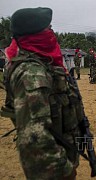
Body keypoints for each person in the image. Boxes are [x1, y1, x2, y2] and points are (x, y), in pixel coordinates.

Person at [2, 7, 82, 179]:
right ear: (35, 34)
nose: (52, 33)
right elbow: (35, 140)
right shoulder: (32, 73)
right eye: (48, 29)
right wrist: (63, 170)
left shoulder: (39, 61)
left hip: (62, 142)